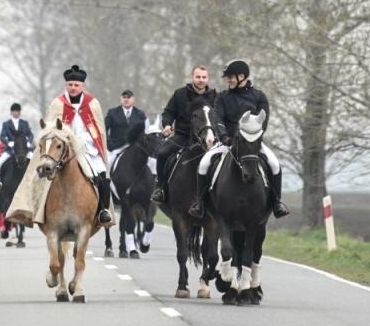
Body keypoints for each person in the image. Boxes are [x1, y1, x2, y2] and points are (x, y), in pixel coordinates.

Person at [187, 59, 289, 219]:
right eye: (228, 77)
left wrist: (253, 140)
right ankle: (200, 203)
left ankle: (277, 203)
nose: (228, 80)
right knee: (204, 163)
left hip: (251, 144)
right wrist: (225, 137)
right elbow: (218, 119)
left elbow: (264, 121)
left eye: (231, 77)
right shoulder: (222, 97)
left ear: (242, 76)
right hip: (227, 143)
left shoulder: (259, 96)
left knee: (275, 164)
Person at [44, 65, 114, 226]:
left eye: (76, 85)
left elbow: (98, 130)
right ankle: (38, 209)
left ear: (82, 86)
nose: (73, 88)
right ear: (65, 85)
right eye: (70, 85)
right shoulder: (57, 103)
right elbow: (50, 127)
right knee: (45, 172)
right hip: (62, 149)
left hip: (88, 148)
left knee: (101, 173)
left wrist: (84, 141)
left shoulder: (93, 103)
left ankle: (103, 210)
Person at [150, 64, 219, 205]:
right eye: (198, 77)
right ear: (192, 77)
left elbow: (220, 116)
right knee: (162, 153)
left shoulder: (215, 97)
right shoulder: (180, 94)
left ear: (208, 79)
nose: (201, 80)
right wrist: (168, 125)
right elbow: (168, 112)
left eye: (204, 77)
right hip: (182, 136)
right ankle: (161, 188)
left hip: (208, 138)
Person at [104, 89, 147, 170]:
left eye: (129, 97)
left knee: (150, 163)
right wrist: (108, 144)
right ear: (121, 99)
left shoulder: (140, 114)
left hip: (136, 148)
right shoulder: (112, 113)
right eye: (124, 97)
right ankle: (106, 182)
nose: (126, 99)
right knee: (108, 165)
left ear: (133, 99)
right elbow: (103, 129)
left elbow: (144, 131)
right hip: (116, 148)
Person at [0, 103, 34, 176]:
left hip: (24, 149)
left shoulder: (25, 123)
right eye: (16, 111)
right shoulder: (6, 124)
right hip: (10, 149)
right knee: (0, 162)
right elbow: (2, 136)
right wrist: (8, 143)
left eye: (19, 111)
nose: (18, 112)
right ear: (11, 112)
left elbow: (30, 134)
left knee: (34, 160)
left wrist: (29, 142)